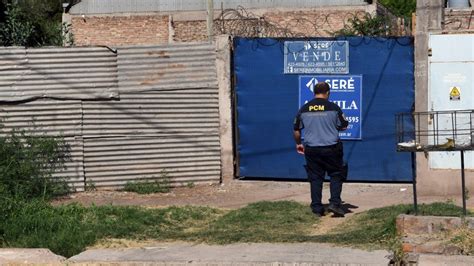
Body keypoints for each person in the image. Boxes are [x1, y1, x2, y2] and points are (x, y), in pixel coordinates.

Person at [293, 81, 348, 217]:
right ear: (328, 93)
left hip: (312, 149)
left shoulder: (304, 109)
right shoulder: (334, 107)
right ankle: (335, 204)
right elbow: (343, 125)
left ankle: (317, 208)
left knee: (315, 178)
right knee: (336, 174)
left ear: (314, 93)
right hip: (332, 148)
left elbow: (296, 130)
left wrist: (299, 143)